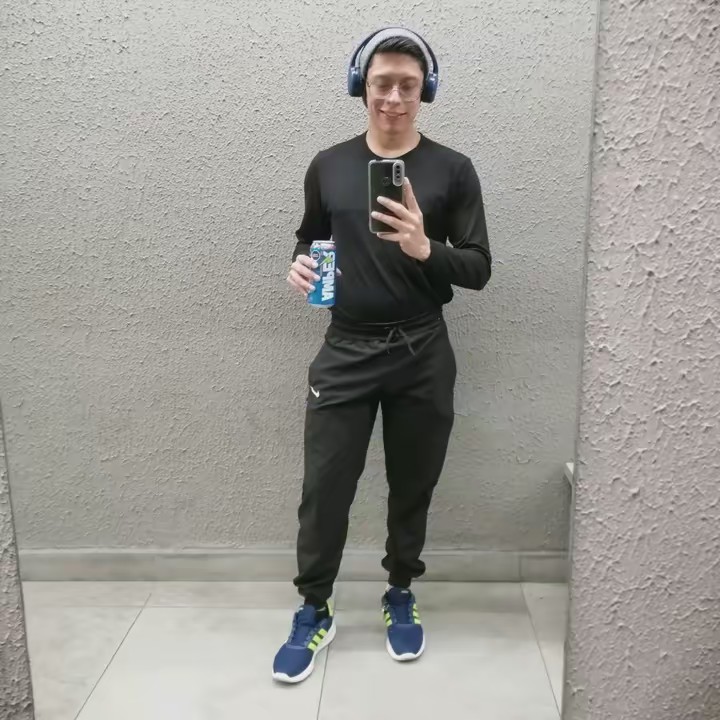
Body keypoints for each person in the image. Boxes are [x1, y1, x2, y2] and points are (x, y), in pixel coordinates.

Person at [272, 27, 492, 684]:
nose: (393, 98)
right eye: (381, 84)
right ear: (359, 88)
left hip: (422, 349)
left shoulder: (453, 169)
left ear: (426, 91)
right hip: (345, 348)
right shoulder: (328, 165)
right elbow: (309, 237)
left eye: (407, 85)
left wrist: (427, 248)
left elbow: (479, 268)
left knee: (412, 483)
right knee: (324, 489)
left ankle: (400, 592)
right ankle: (315, 607)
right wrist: (300, 266)